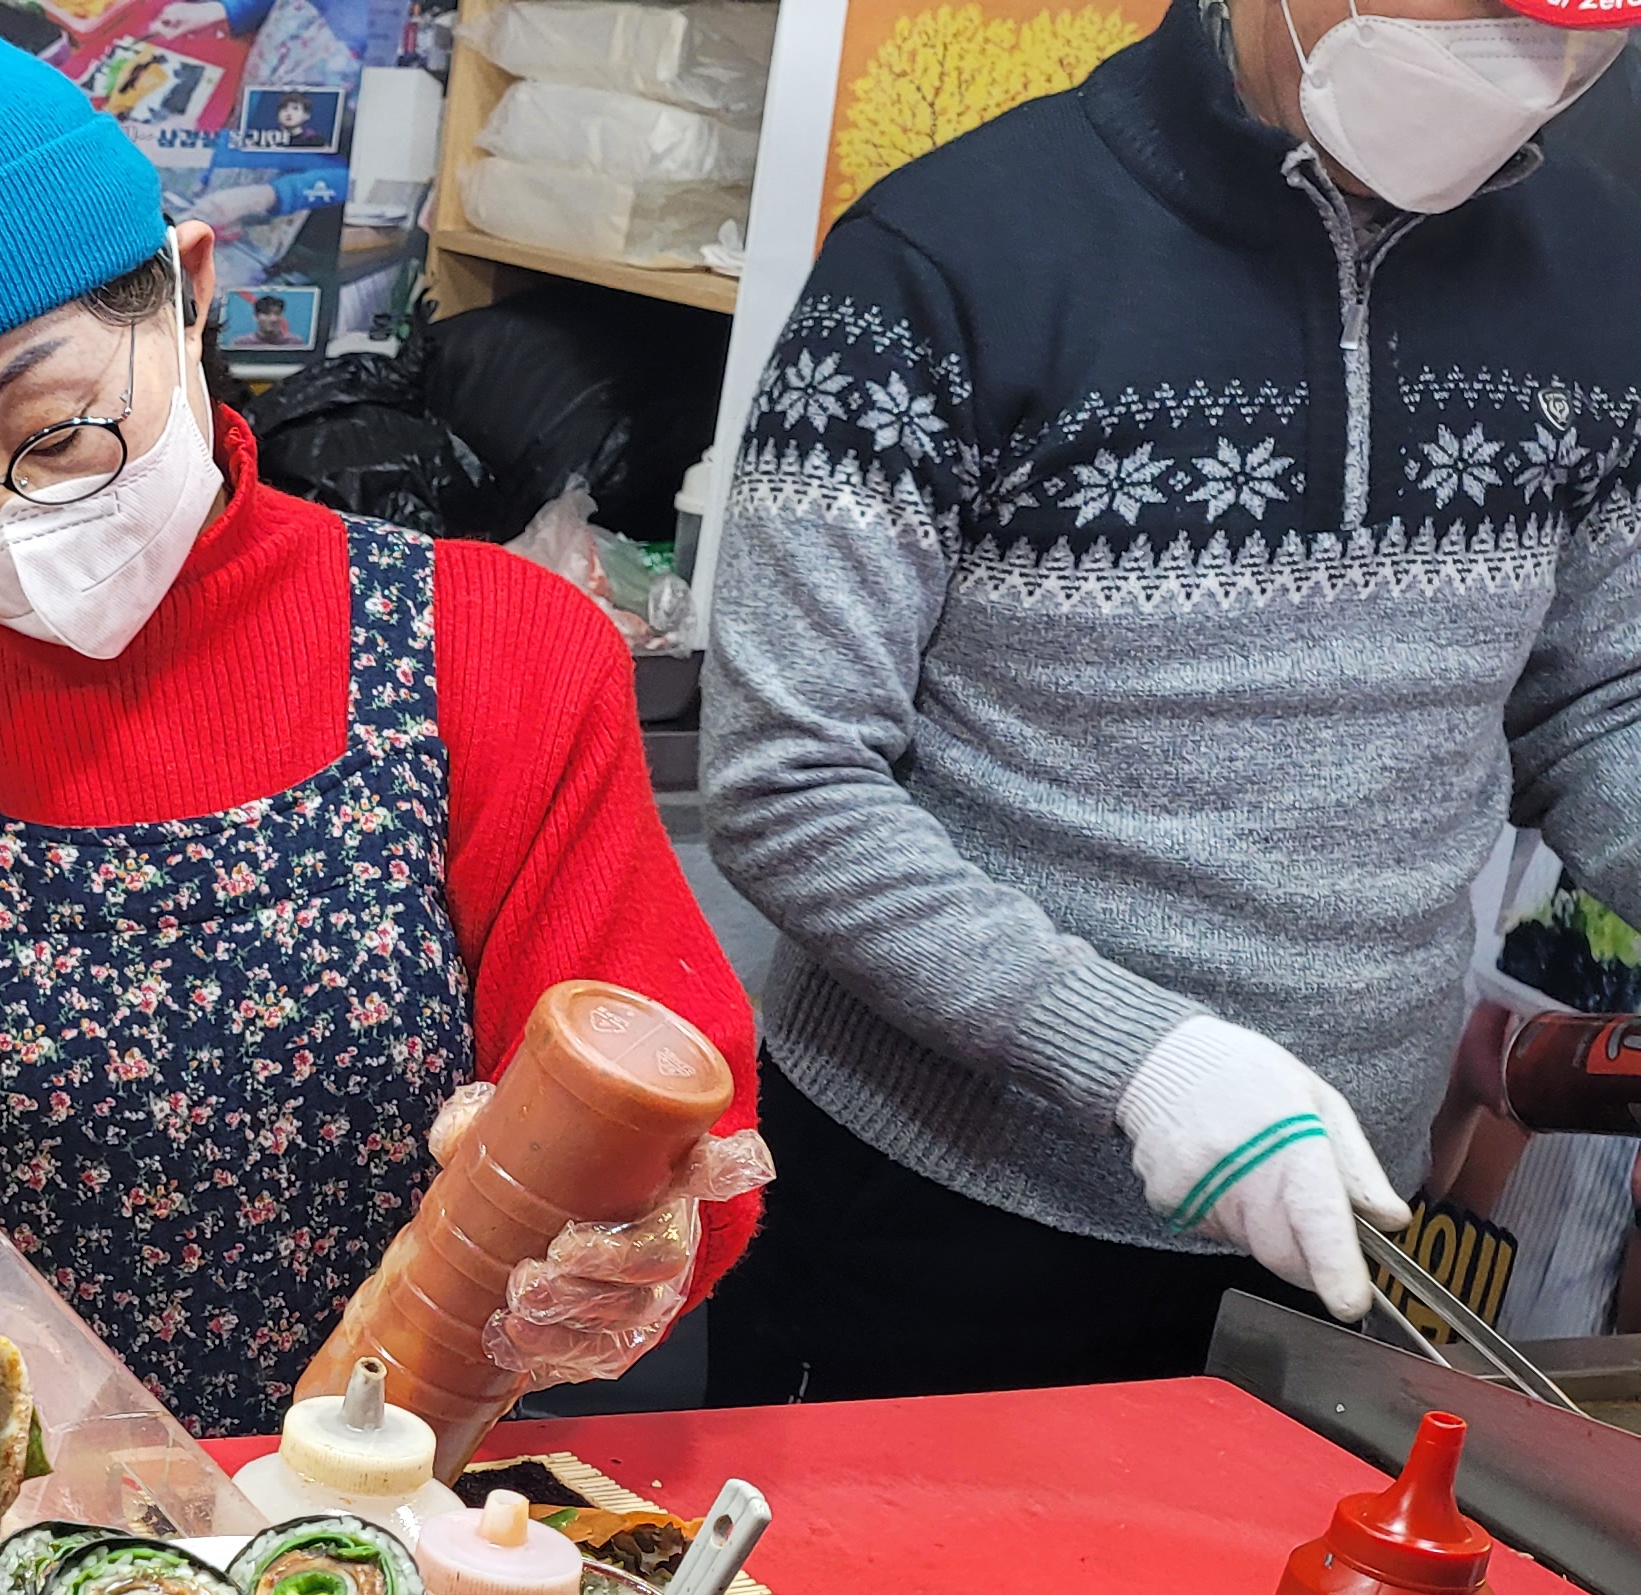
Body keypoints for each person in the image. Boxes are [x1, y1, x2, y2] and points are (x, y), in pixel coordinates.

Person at [0, 0, 765, 1436]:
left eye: (58, 430)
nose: (13, 529)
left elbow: (655, 1107)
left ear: (185, 288)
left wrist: (632, 1243)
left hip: (395, 1532)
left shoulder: (498, 658)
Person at [699, 0, 1641, 1403]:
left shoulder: (1597, 269)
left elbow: (1600, 695)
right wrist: (1141, 1060)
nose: (1526, 71)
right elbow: (789, 781)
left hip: (1337, 1217)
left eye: (1574, 35)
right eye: (1480, 15)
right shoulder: (951, 255)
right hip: (944, 1215)